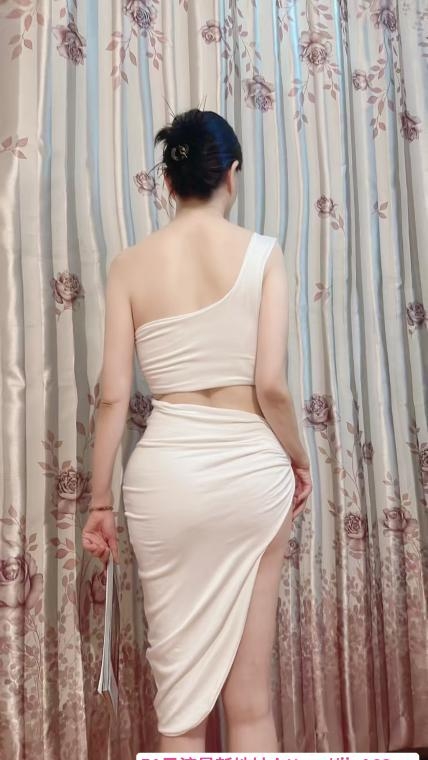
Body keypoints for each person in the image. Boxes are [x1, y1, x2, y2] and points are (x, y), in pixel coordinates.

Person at [82, 107, 312, 752]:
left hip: (167, 481)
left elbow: (113, 397)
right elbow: (272, 386)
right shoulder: (264, 255)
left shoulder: (129, 266)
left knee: (179, 710)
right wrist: (299, 459)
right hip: (251, 475)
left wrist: (100, 502)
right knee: (250, 704)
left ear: (167, 180)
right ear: (232, 173)